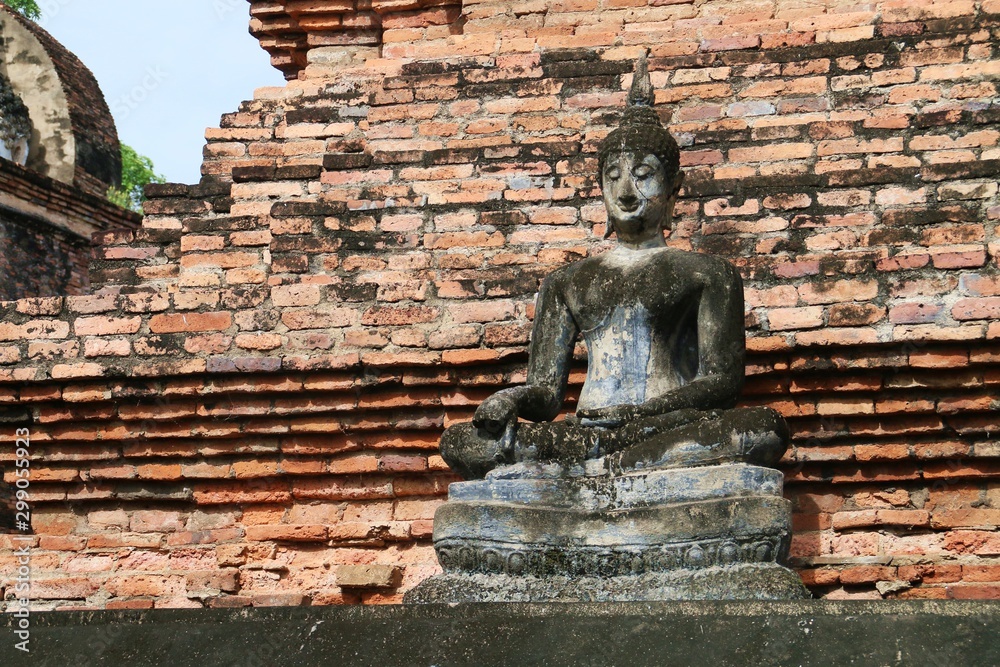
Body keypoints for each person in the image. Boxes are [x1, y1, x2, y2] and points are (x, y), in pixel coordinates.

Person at [441, 55, 788, 480]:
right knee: (461, 442)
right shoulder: (567, 282)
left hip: (662, 424)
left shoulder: (707, 273)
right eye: (613, 176)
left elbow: (721, 382)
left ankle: (606, 467)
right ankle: (615, 462)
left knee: (763, 428)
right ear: (600, 187)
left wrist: (642, 414)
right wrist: (510, 399)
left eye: (643, 175)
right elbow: (547, 395)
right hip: (587, 431)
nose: (626, 191)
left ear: (673, 189)